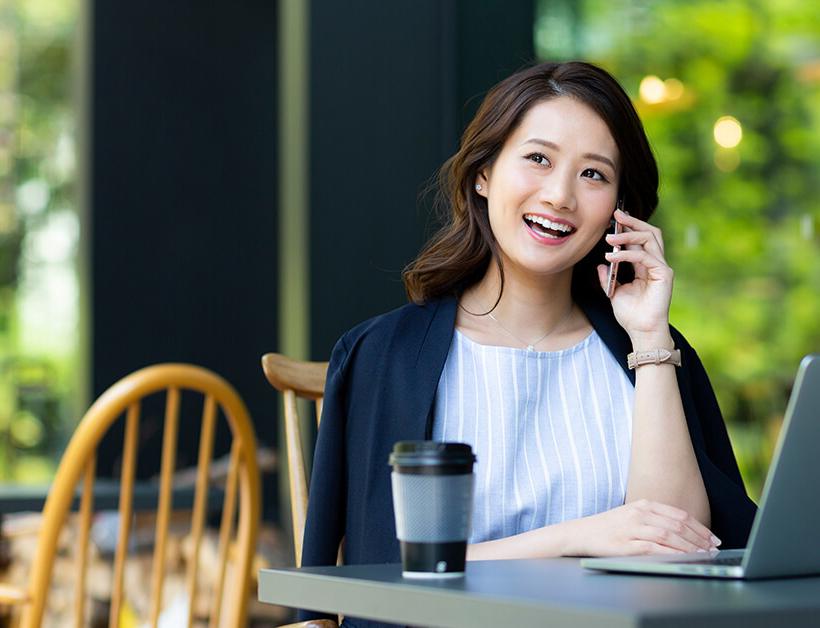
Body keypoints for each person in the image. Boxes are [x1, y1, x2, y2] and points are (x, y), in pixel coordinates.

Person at [298, 61, 756, 626]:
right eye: (538, 158)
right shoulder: (383, 356)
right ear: (484, 173)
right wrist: (579, 537)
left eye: (594, 174)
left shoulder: (649, 351)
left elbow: (680, 554)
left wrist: (649, 338)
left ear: (620, 210)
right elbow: (388, 577)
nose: (561, 194)